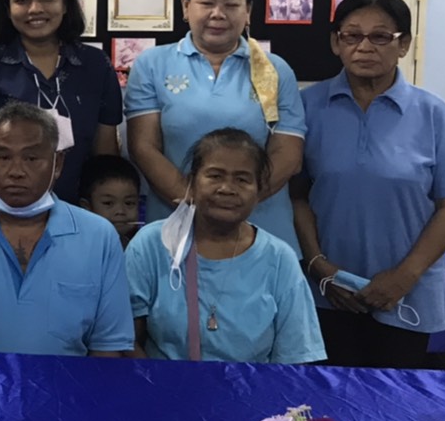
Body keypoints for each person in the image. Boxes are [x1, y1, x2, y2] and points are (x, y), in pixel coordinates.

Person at [294, 0, 445, 369]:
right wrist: (319, 267)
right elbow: (295, 195)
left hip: (407, 296)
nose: (364, 47)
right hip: (326, 294)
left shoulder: (433, 114)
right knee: (323, 400)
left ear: (404, 44)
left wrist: (404, 277)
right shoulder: (307, 107)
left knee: (395, 399)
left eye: (380, 36)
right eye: (352, 35)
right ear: (336, 42)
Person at [0, 101, 133, 355]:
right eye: (3, 157)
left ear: (57, 163)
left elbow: (107, 348)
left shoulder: (99, 236)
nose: (16, 171)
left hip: (71, 381)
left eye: (31, 158)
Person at [125, 0, 305, 253]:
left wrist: (235, 202)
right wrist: (201, 203)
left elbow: (288, 153)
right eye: (207, 3)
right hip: (177, 227)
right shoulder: (152, 64)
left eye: (231, 5)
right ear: (186, 7)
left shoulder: (274, 69)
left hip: (263, 232)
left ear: (248, 11)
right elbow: (143, 147)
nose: (218, 14)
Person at [125, 129, 324, 363]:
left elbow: (295, 357)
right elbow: (125, 339)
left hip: (253, 385)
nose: (227, 189)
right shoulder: (153, 244)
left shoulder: (280, 258)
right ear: (192, 182)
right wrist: (158, 382)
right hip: (161, 383)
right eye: (215, 176)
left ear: (259, 190)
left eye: (242, 179)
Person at [0, 0, 121, 206]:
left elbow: (105, 156)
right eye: (22, 0)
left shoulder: (96, 66)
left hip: (76, 213)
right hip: (0, 212)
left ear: (65, 4)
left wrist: (101, 219)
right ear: (7, 9)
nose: (35, 9)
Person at [78, 154, 141, 247]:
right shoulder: (80, 248)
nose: (120, 211)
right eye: (108, 203)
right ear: (86, 207)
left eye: (129, 203)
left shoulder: (138, 248)